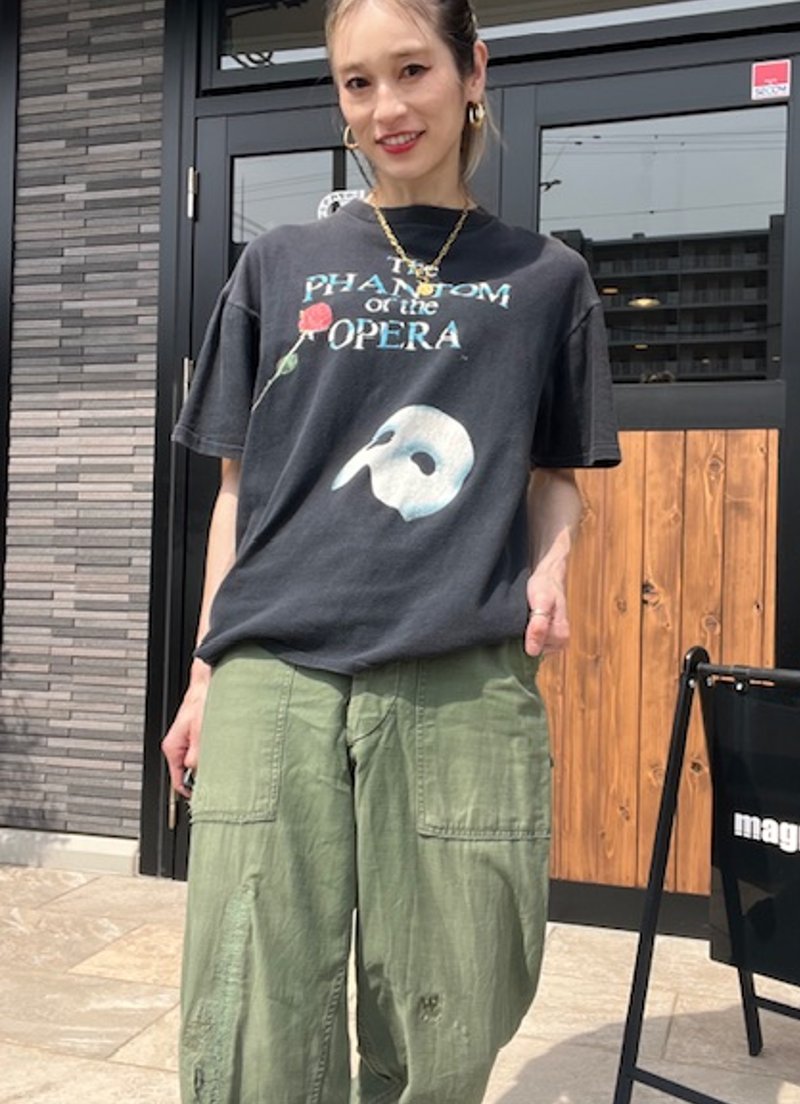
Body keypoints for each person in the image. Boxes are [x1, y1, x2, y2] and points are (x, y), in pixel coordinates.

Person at [161, 0, 620, 1100]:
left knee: (451, 999)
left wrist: (551, 570)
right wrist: (204, 673)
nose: (385, 108)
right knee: (251, 1011)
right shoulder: (279, 263)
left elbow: (556, 474)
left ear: (473, 71)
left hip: (456, 667)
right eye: (356, 82)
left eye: (411, 70)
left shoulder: (545, 277)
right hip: (275, 666)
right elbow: (237, 493)